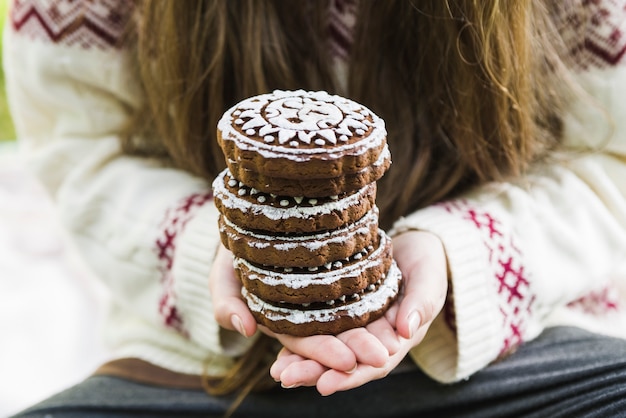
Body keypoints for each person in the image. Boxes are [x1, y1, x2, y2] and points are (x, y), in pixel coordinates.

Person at [6, 0, 626, 417]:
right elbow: (81, 153)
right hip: (197, 372)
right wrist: (225, 250)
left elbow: (611, 163)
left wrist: (455, 255)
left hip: (527, 354)